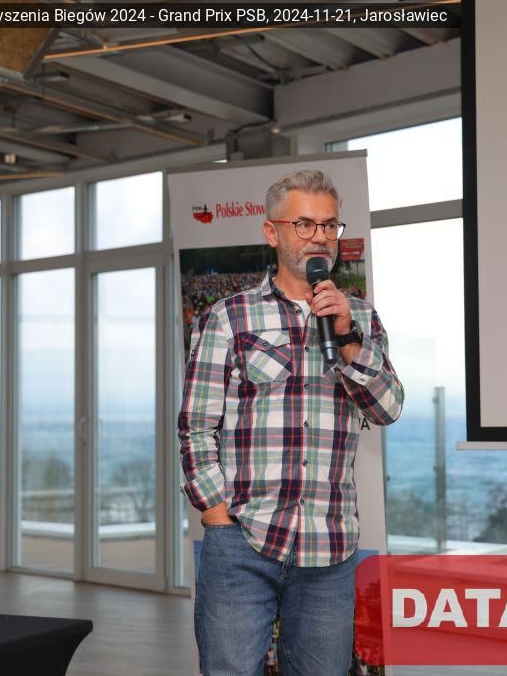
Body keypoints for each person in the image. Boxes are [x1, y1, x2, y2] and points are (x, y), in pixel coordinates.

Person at [178, 170, 404, 675]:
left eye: (329, 225)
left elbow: (387, 408)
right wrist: (216, 514)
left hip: (329, 546)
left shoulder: (360, 318)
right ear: (271, 232)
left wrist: (348, 340)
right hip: (242, 540)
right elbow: (195, 426)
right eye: (304, 224)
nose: (319, 237)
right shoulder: (227, 317)